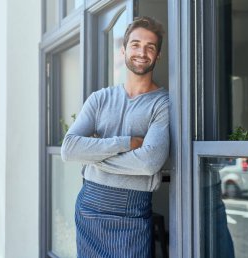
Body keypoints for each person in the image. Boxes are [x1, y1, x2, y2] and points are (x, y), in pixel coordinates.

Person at [61, 16, 169, 258]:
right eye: (136, 44)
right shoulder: (99, 99)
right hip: (89, 206)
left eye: (150, 47)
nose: (142, 52)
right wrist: (126, 143)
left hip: (131, 211)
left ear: (158, 55)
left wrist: (94, 156)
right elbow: (69, 149)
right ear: (123, 49)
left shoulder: (163, 104)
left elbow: (149, 162)